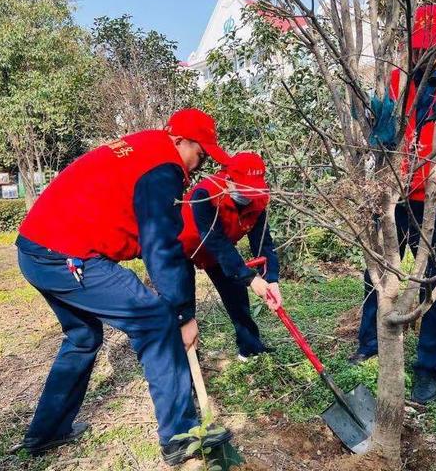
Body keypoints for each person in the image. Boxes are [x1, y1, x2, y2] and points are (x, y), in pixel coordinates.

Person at [15, 108, 238, 466]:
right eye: (201, 152)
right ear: (180, 140)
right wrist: (182, 314)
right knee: (155, 320)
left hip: (35, 247)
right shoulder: (163, 168)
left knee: (83, 337)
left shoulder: (148, 145)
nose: (200, 163)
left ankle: (47, 432)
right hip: (67, 256)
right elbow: (159, 247)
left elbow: (142, 226)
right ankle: (181, 437)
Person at [349, 5, 436, 405]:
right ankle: (370, 342)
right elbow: (386, 135)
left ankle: (427, 367)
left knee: (434, 282)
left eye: (429, 48)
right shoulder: (396, 79)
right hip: (395, 194)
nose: (420, 56)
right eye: (415, 48)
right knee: (378, 270)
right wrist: (379, 135)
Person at [179, 152, 282, 360]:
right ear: (228, 179)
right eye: (243, 187)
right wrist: (251, 278)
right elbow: (215, 240)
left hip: (217, 251)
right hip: (181, 248)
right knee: (183, 310)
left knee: (238, 297)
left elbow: (263, 243)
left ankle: (250, 348)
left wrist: (271, 279)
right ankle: (187, 365)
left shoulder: (257, 200)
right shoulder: (205, 195)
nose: (248, 195)